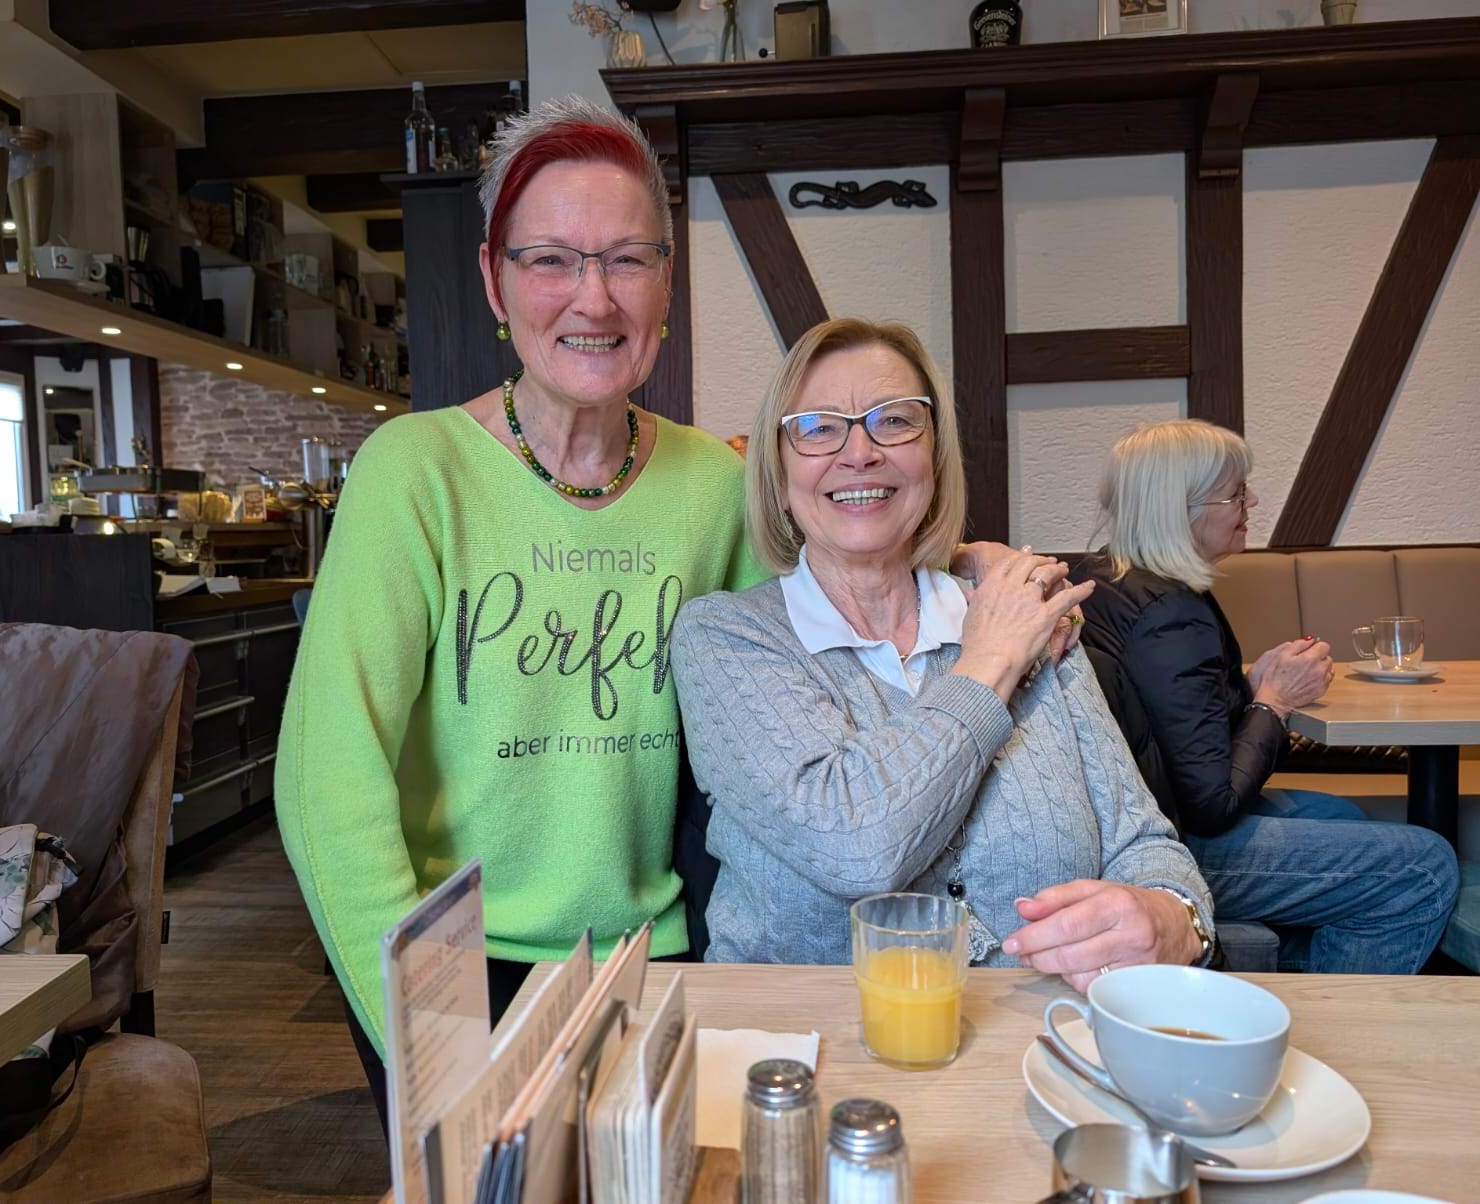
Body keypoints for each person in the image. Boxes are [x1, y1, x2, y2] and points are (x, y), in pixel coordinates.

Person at [274, 97, 762, 1132]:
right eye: (552, 260)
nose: (595, 297)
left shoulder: (716, 488)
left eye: (628, 259)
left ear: (666, 283)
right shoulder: (414, 473)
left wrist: (968, 566)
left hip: (661, 955)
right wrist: (426, 1032)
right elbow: (326, 779)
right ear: (495, 281)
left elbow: (820, 644)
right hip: (461, 966)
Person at [671, 318, 1216, 985]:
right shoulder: (727, 638)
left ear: (933, 457)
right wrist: (991, 662)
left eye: (895, 421)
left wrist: (1176, 917)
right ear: (779, 476)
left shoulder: (1030, 611)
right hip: (806, 1041)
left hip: (1041, 1036)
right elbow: (857, 847)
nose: (860, 452)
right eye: (818, 427)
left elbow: (1143, 841)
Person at [1074, 419, 1459, 973]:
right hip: (1171, 847)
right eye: (1235, 493)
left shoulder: (1111, 580)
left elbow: (1167, 721)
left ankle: (1298, 969)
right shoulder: (1169, 616)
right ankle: (1328, 1008)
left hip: (1133, 819)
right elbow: (1213, 806)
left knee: (1342, 816)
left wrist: (1250, 689)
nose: (1251, 501)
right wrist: (1274, 703)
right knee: (1425, 866)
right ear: (1182, 510)